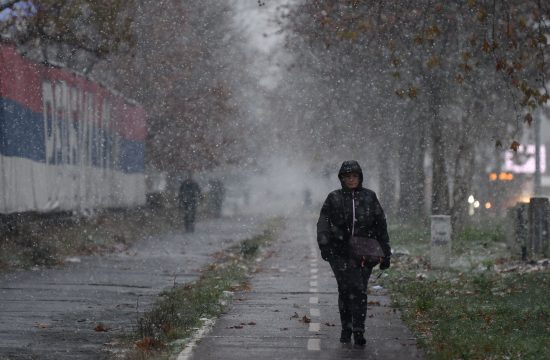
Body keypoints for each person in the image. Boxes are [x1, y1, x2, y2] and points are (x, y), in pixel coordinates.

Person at [317, 160, 391, 347]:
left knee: (359, 290)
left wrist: (386, 252)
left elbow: (381, 225)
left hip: (365, 254)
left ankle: (358, 330)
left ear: (360, 177)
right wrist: (325, 246)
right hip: (339, 253)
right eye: (347, 176)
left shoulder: (370, 197)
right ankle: (346, 328)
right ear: (341, 178)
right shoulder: (333, 198)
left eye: (354, 176)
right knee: (345, 290)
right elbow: (323, 223)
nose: (351, 179)